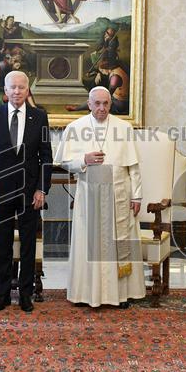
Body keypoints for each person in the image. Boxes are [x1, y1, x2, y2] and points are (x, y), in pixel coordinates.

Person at [56, 86, 145, 307]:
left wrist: (137, 196)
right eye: (97, 103)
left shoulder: (124, 128)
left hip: (120, 195)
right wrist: (83, 160)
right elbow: (64, 162)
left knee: (118, 243)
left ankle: (121, 295)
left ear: (110, 104)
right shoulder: (75, 128)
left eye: (106, 103)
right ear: (89, 104)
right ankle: (87, 294)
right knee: (90, 243)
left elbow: (133, 167)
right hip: (90, 196)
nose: (102, 108)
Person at [0, 70, 53, 312]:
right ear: (5, 91)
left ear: (27, 90)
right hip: (0, 191)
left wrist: (42, 189)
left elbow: (46, 157)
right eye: (13, 87)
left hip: (30, 192)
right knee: (4, 243)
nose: (17, 91)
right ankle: (3, 294)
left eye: (21, 87)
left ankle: (25, 294)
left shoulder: (39, 117)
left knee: (28, 244)